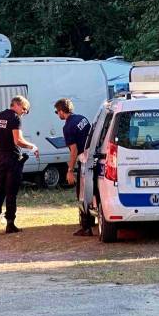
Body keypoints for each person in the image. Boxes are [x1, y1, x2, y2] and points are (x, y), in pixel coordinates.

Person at [0, 96, 39, 235]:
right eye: (24, 109)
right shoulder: (15, 118)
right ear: (17, 105)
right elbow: (18, 140)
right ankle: (10, 223)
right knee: (11, 192)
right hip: (12, 159)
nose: (24, 113)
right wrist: (32, 146)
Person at [55, 98, 93, 236]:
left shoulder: (68, 127)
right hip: (93, 158)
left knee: (82, 193)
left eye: (56, 112)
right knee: (92, 191)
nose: (57, 114)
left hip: (83, 160)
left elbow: (74, 150)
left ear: (61, 111)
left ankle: (86, 226)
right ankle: (91, 221)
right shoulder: (82, 118)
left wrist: (70, 170)